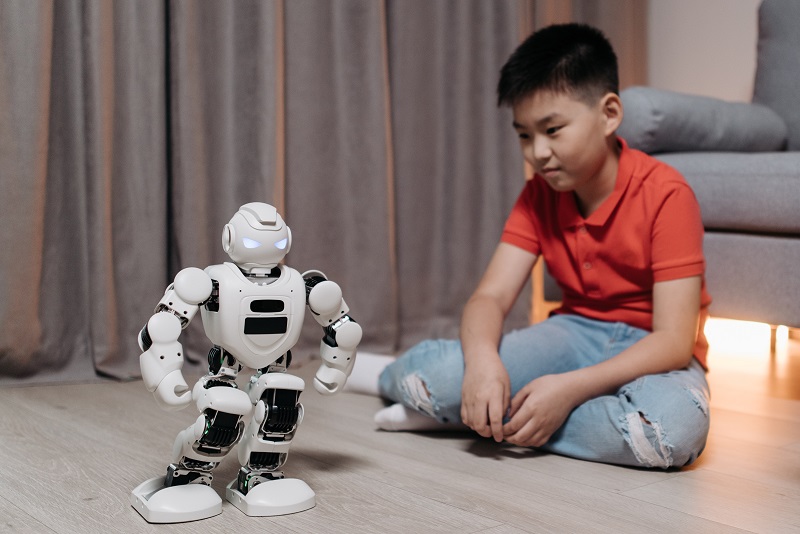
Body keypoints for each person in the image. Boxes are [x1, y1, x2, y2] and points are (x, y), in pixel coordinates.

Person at [356, 23, 712, 469]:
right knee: (448, 377)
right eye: (524, 135)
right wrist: (484, 364)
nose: (537, 153)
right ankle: (406, 384)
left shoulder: (667, 193)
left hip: (653, 351)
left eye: (553, 129)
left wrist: (568, 390)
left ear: (609, 114)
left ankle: (469, 419)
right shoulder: (538, 195)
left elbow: (674, 341)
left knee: (671, 430)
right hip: (573, 335)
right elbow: (489, 296)